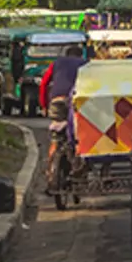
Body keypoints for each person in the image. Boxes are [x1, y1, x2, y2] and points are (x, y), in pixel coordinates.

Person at [40, 45, 88, 189]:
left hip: (57, 101)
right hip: (77, 101)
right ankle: (78, 166)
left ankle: (50, 175)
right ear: (80, 55)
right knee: (81, 135)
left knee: (56, 139)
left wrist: (44, 105)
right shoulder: (85, 64)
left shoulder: (56, 63)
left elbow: (43, 84)